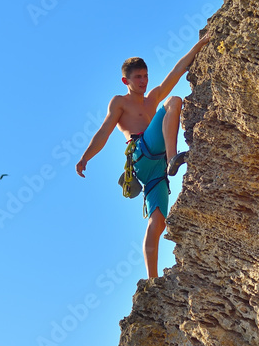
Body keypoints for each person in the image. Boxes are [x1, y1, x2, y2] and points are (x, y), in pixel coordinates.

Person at [76, 34, 211, 278]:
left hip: (155, 169)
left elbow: (178, 70)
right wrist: (86, 157)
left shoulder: (152, 99)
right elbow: (104, 132)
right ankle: (173, 157)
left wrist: (199, 45)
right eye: (137, 77)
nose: (143, 81)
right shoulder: (120, 102)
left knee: (158, 222)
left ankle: (153, 280)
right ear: (125, 80)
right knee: (174, 101)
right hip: (141, 153)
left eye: (145, 75)